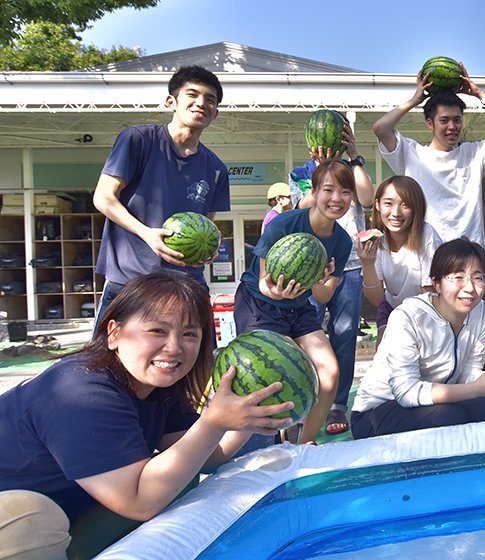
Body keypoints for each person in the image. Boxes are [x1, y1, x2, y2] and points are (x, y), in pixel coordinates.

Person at [0, 271, 291, 559]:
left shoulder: (159, 386)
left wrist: (249, 416)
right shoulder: (80, 393)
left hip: (69, 508)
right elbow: (138, 502)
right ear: (114, 333)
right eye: (157, 331)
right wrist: (212, 421)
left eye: (189, 334)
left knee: (178, 473)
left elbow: (209, 454)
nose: (174, 347)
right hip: (19, 509)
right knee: (34, 520)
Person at [351, 239, 485, 439]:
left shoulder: (481, 311)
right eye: (458, 277)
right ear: (436, 283)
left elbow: (469, 372)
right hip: (376, 413)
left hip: (437, 403)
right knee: (448, 416)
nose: (469, 287)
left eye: (477, 277)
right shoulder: (408, 317)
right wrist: (475, 389)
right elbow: (406, 393)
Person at [93, 66, 229, 324]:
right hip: (131, 281)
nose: (201, 103)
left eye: (210, 99)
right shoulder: (137, 140)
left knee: (196, 363)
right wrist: (147, 233)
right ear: (171, 101)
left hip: (188, 284)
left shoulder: (216, 169)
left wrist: (207, 250)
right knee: (105, 363)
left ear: (216, 113)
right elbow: (103, 198)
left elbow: (206, 225)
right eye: (192, 94)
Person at [234, 160, 353, 443]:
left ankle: (305, 443)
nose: (337, 199)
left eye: (345, 192)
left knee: (330, 370)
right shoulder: (284, 224)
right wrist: (280, 291)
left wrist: (314, 280)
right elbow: (265, 283)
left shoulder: (343, 242)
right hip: (259, 302)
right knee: (276, 372)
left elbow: (324, 295)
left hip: (298, 307)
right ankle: (273, 441)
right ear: (313, 192)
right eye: (328, 190)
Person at [287, 120, 375, 435]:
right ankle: (308, 401)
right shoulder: (301, 173)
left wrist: (354, 156)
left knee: (345, 332)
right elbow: (303, 205)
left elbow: (367, 199)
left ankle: (337, 403)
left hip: (349, 264)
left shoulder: (353, 170)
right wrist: (323, 169)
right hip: (312, 267)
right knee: (308, 334)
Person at [372, 63, 485, 247]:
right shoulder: (411, 153)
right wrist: (415, 100)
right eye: (444, 120)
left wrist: (481, 95)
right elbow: (380, 128)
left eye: (457, 120)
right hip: (425, 254)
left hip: (469, 254)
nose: (452, 127)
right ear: (429, 123)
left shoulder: (473, 153)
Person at [358, 176, 443, 344]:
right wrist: (367, 264)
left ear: (416, 208)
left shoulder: (426, 235)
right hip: (392, 307)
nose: (396, 213)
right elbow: (377, 300)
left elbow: (430, 292)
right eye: (388, 204)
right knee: (383, 357)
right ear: (377, 205)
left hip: (427, 308)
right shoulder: (377, 240)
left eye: (405, 205)